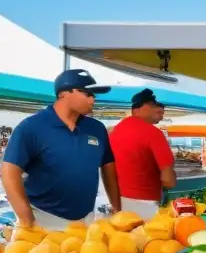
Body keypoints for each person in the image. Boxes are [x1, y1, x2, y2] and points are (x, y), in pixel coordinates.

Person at [0, 69, 121, 230]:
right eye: (87, 93)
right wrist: (27, 221)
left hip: (86, 220)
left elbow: (108, 168)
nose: (93, 99)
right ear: (64, 94)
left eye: (94, 95)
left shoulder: (96, 129)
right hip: (44, 219)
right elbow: (9, 172)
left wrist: (118, 211)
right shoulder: (32, 127)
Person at [109, 88, 176, 219]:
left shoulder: (114, 130)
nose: (158, 110)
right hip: (145, 204)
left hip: (116, 201)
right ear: (136, 109)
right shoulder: (154, 133)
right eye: (152, 105)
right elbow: (168, 180)